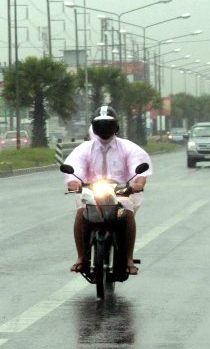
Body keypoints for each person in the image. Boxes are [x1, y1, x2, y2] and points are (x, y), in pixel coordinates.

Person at [63, 105, 152, 275]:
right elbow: (75, 168)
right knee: (81, 214)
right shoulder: (84, 149)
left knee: (127, 215)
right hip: (91, 195)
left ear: (116, 127)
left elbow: (138, 170)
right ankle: (81, 258)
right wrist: (73, 182)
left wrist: (138, 183)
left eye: (108, 124)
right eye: (100, 125)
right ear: (94, 127)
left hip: (120, 195)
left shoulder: (128, 147)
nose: (104, 129)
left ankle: (129, 259)